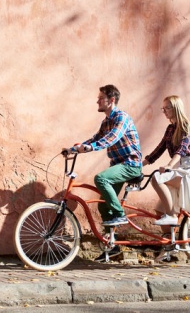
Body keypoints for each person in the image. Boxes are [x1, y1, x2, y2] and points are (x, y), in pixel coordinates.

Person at [65, 85, 142, 260]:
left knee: (101, 178)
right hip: (118, 165)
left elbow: (112, 138)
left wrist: (91, 147)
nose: (97, 101)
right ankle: (113, 246)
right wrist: (74, 149)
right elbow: (96, 138)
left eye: (101, 98)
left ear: (111, 100)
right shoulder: (106, 122)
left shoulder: (122, 117)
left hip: (131, 164)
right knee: (103, 204)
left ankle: (120, 214)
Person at [143, 95, 190, 226]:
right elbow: (159, 149)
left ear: (176, 108)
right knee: (160, 210)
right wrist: (140, 164)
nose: (164, 111)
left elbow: (182, 150)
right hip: (181, 166)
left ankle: (171, 216)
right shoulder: (170, 128)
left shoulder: (185, 126)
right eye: (163, 108)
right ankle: (169, 236)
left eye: (167, 108)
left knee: (156, 178)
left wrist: (169, 165)